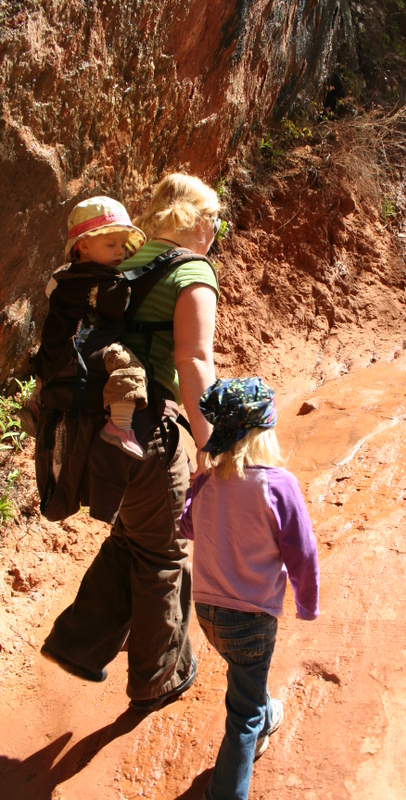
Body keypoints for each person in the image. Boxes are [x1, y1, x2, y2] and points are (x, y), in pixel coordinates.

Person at [41, 173, 220, 712]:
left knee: (133, 537)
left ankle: (79, 644)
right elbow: (193, 360)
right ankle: (159, 677)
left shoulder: (115, 263)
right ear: (194, 220)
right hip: (146, 433)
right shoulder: (192, 271)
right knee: (163, 551)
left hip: (94, 430)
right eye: (216, 220)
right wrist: (211, 442)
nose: (216, 231)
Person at [180, 377, 320, 800]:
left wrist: (196, 481)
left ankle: (263, 714)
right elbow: (303, 552)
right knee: (241, 711)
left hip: (206, 613)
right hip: (252, 618)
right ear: (264, 433)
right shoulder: (279, 485)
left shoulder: (207, 483)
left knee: (244, 674)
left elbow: (186, 525)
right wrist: (307, 604)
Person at [25, 196, 149, 459]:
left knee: (44, 358)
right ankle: (121, 425)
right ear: (83, 245)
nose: (120, 251)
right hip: (93, 347)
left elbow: (51, 296)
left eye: (122, 245)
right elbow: (118, 310)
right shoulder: (112, 283)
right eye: (111, 244)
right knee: (129, 366)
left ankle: (36, 401)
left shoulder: (60, 276)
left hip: (58, 345)